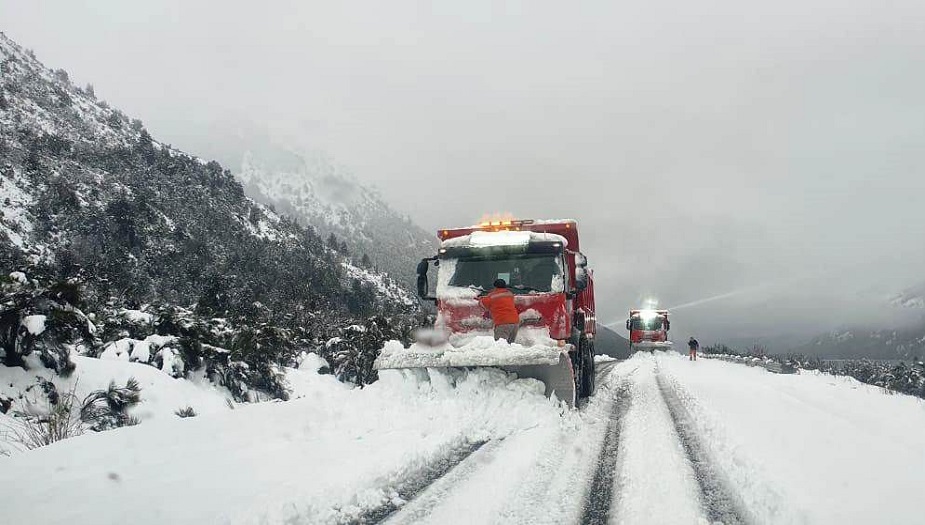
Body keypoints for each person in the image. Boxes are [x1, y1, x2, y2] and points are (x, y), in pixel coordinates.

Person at [479, 278, 520, 343]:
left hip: (503, 323)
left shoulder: (492, 296)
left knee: (500, 345)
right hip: (515, 323)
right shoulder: (510, 294)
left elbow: (482, 304)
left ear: (495, 286)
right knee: (510, 346)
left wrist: (480, 298)